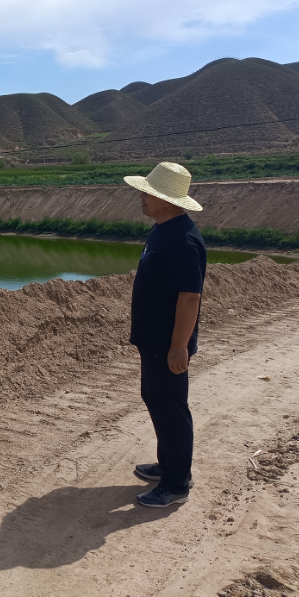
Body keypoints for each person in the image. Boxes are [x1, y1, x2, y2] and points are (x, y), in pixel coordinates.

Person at [124, 162, 207, 508]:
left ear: (168, 200)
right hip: (154, 340)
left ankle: (176, 484)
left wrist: (178, 347)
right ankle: (168, 464)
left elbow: (189, 297)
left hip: (167, 344)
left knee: (172, 409)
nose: (141, 197)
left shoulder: (182, 241)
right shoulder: (163, 229)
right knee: (156, 399)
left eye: (149, 193)